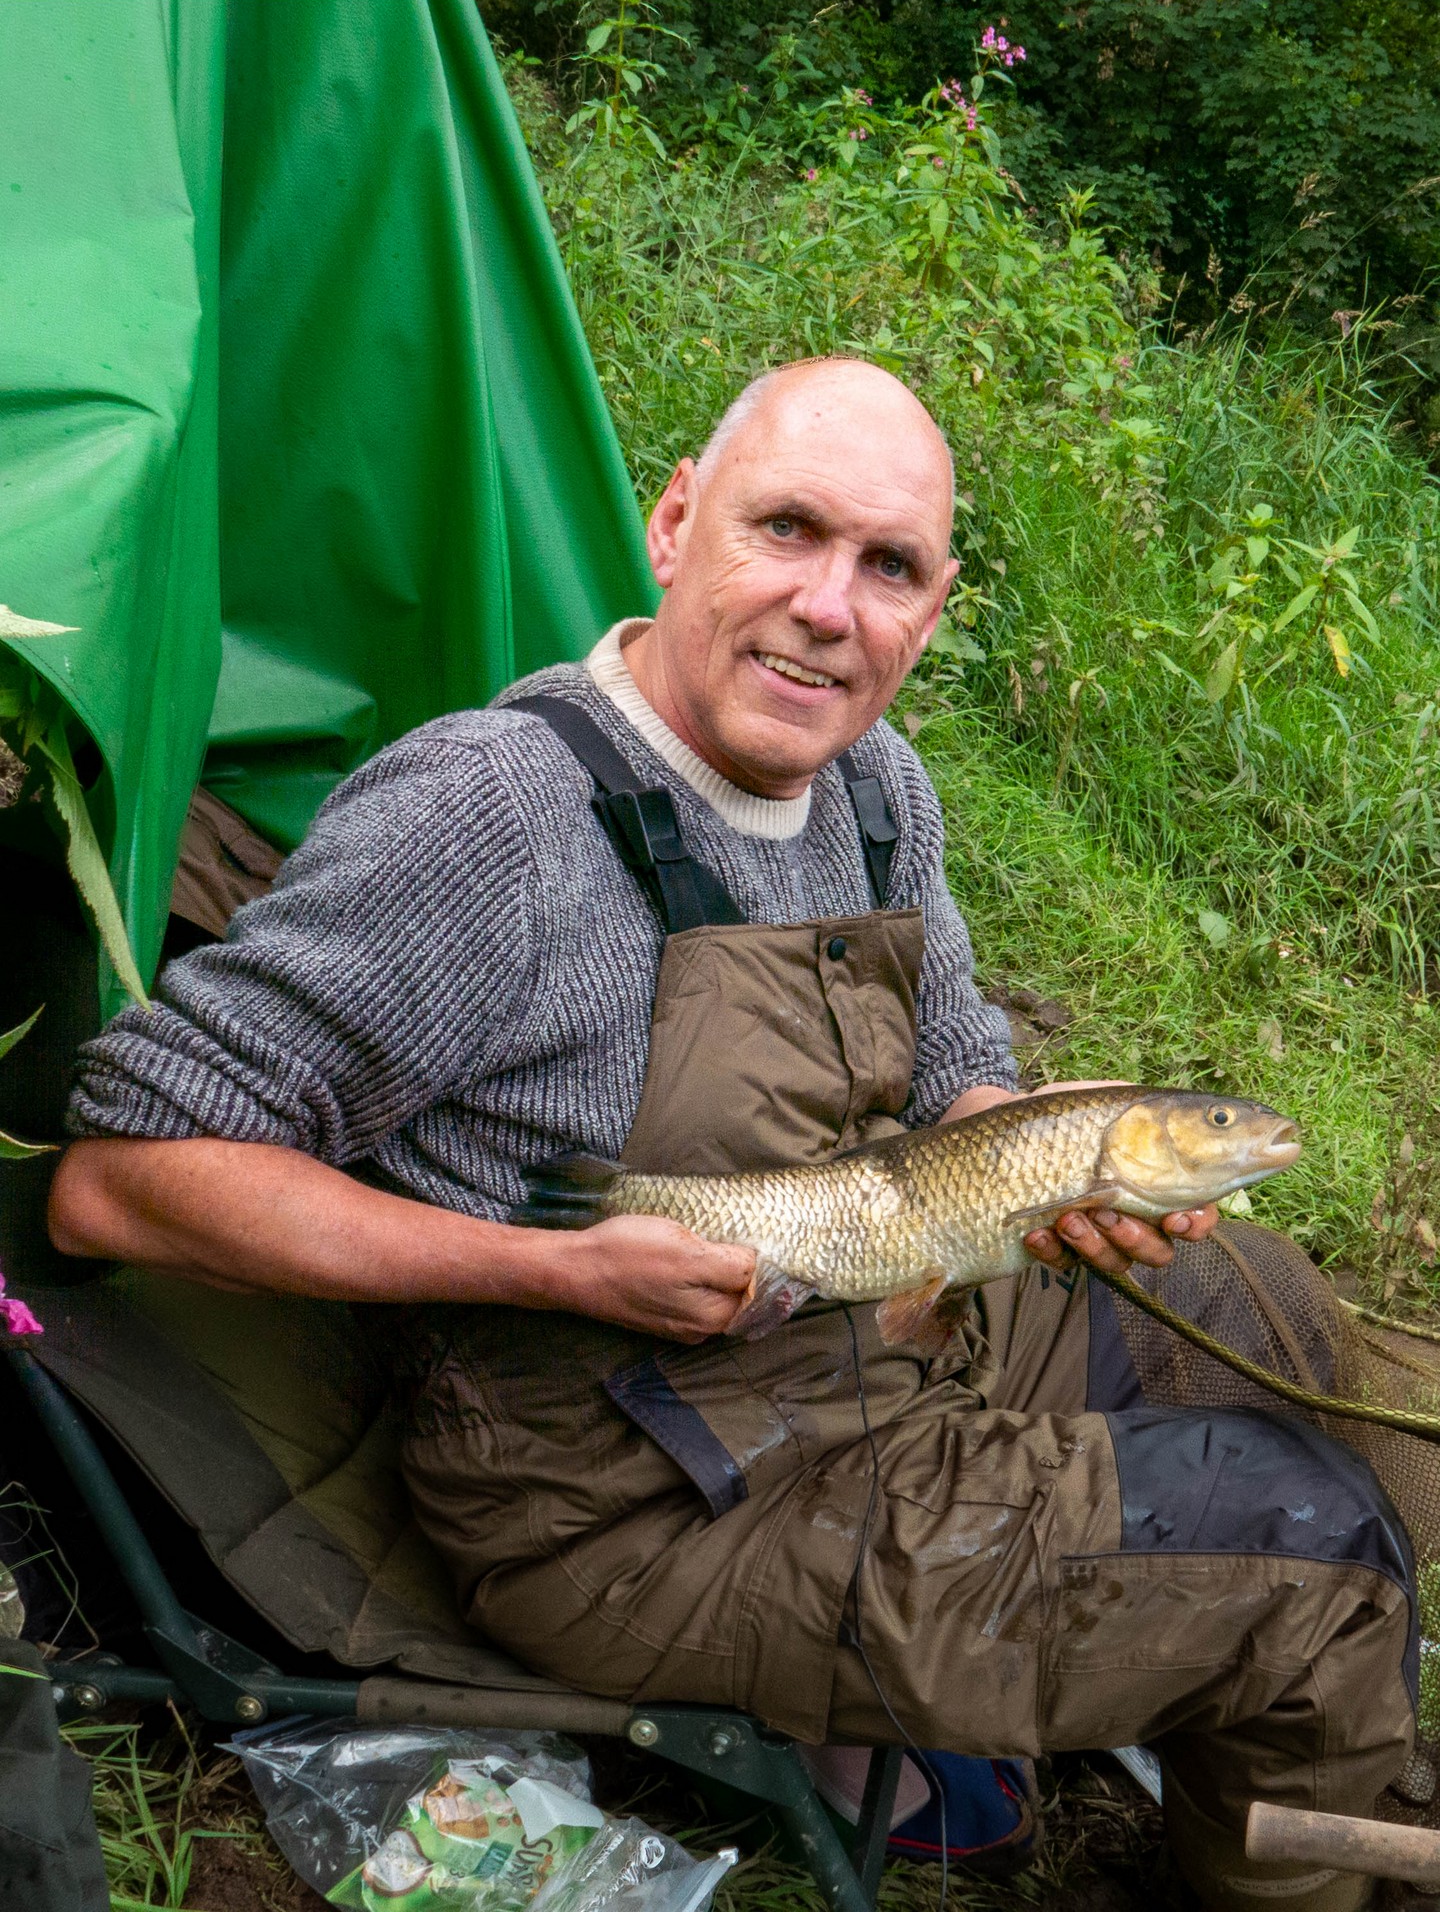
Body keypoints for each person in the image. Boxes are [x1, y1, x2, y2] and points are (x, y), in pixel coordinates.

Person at [51, 359, 1414, 1912]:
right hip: (631, 1502)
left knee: (1260, 1304)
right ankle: (1291, 1756)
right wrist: (546, 1273)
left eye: (887, 566)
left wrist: (1032, 1152)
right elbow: (124, 1180)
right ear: (676, 521)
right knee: (1315, 1557)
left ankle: (1242, 1710)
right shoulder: (494, 818)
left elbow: (959, 1064)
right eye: (786, 531)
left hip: (867, 1332)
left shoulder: (877, 784)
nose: (829, 608)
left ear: (934, 608)